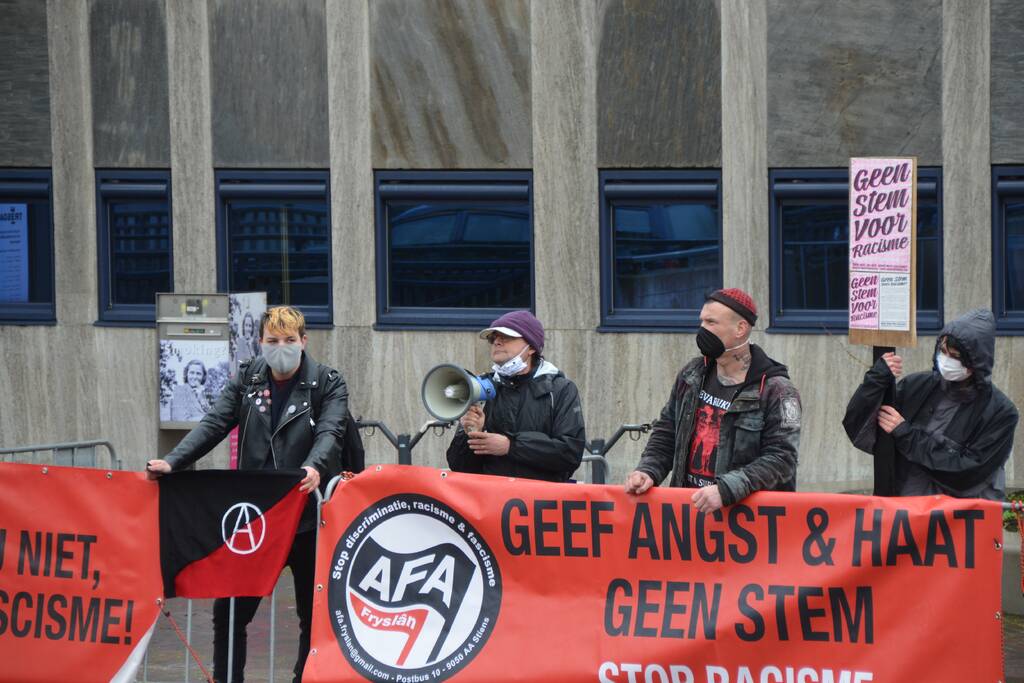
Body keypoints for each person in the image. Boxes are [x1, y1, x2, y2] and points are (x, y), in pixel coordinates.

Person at [147, 306, 349, 683]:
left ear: (304, 342)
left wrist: (315, 466)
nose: (281, 348)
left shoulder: (327, 382)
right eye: (273, 341)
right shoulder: (247, 378)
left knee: (313, 613)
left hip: (307, 517)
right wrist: (173, 461)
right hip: (255, 517)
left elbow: (331, 432)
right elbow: (214, 423)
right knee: (230, 612)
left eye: (289, 340)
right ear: (260, 343)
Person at [624, 288, 801, 513]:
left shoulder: (777, 390)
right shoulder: (692, 375)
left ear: (740, 328)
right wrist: (647, 471)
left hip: (746, 525)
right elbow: (667, 432)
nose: (702, 329)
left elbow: (782, 460)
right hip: (689, 514)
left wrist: (726, 490)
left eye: (711, 322)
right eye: (701, 322)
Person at [843, 309, 1018, 500]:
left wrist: (907, 436)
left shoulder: (1000, 412)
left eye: (955, 356)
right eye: (942, 351)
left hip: (954, 522)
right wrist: (876, 380)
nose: (946, 359)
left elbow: (968, 473)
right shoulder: (915, 386)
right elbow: (858, 427)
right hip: (900, 515)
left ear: (976, 362)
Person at [446, 310, 586, 482]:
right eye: (493, 338)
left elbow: (570, 454)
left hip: (542, 502)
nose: (497, 341)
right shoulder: (482, 388)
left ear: (532, 347)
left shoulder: (560, 390)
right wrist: (471, 433)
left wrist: (510, 446)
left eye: (506, 336)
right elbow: (459, 467)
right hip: (491, 502)